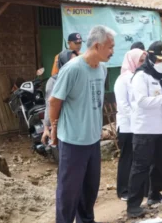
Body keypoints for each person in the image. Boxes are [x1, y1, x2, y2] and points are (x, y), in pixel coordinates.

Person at [49, 25, 115, 223]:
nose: (113, 51)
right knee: (69, 191)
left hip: (92, 139)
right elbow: (54, 101)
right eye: (110, 47)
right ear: (97, 46)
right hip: (72, 141)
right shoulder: (73, 68)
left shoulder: (102, 70)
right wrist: (54, 128)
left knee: (89, 188)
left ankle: (86, 220)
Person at [127, 41, 162, 217]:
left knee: (160, 164)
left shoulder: (160, 77)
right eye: (159, 59)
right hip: (144, 130)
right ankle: (133, 206)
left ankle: (155, 194)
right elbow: (141, 101)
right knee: (140, 167)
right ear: (151, 58)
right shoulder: (141, 76)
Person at [114, 48, 146, 201]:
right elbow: (123, 105)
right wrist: (136, 118)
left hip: (139, 125)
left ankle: (139, 188)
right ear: (132, 61)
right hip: (127, 126)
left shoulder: (138, 77)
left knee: (139, 158)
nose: (143, 63)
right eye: (140, 60)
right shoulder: (123, 79)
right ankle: (123, 190)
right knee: (127, 158)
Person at [41, 50, 78, 145]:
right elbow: (49, 104)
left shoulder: (79, 78)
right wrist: (47, 127)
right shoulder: (53, 81)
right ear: (63, 63)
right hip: (62, 126)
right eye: (71, 62)